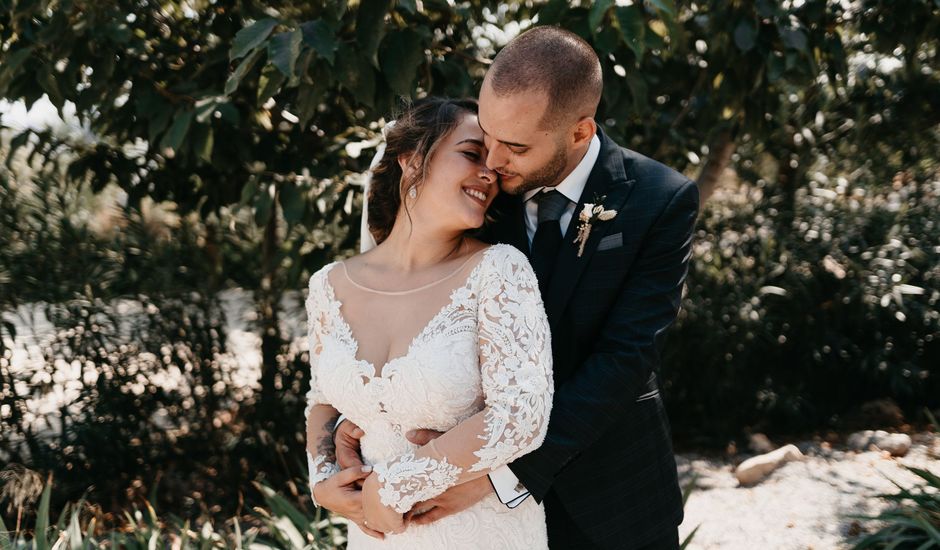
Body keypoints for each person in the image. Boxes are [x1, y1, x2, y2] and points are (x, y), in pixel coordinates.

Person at [335, 27, 700, 549]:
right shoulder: (478, 187)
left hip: (609, 495)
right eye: (487, 134)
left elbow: (624, 359)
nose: (493, 160)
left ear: (579, 132)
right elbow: (417, 298)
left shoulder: (659, 200)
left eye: (516, 146)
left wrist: (501, 474)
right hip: (464, 504)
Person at [303, 97, 555, 548]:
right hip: (373, 537)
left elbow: (521, 416)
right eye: (472, 153)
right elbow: (322, 400)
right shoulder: (329, 285)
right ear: (412, 159)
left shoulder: (499, 271)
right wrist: (323, 480)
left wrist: (398, 484)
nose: (489, 173)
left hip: (481, 531)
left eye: (496, 166)